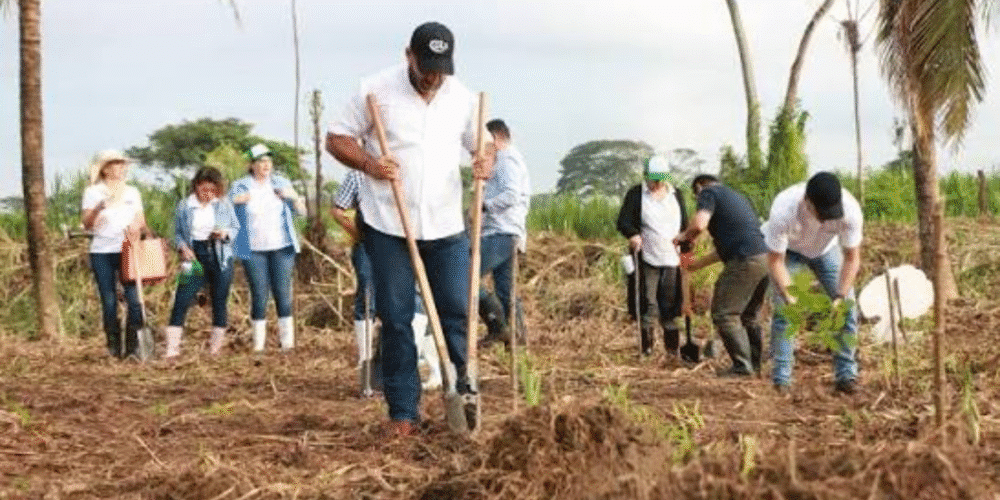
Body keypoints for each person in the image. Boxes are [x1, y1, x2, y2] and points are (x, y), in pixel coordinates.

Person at [326, 21, 492, 437]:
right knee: (398, 318)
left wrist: (485, 158)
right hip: (389, 224)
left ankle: (463, 396)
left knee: (458, 312)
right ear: (409, 56)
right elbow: (337, 138)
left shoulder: (463, 98)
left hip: (446, 224)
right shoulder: (375, 90)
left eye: (441, 70)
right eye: (426, 68)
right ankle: (403, 412)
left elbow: (484, 143)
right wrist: (369, 164)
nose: (433, 78)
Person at [332, 169, 442, 392]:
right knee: (368, 295)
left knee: (413, 296)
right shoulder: (358, 174)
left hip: (406, 240)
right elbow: (338, 210)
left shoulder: (410, 169)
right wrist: (358, 234)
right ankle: (366, 362)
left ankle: (410, 361)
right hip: (370, 241)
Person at [763, 172, 863, 395]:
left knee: (847, 309)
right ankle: (782, 381)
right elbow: (775, 261)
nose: (827, 220)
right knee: (786, 312)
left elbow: (852, 258)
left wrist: (840, 295)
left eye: (832, 214)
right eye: (822, 214)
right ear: (807, 202)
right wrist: (791, 298)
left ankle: (846, 376)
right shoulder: (783, 210)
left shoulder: (851, 211)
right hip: (789, 253)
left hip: (826, 251)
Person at [673, 175, 769, 377]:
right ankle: (754, 366)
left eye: (695, 197)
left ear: (699, 187)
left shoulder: (708, 192)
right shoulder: (736, 197)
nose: (698, 201)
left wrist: (684, 236)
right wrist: (694, 265)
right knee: (748, 316)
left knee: (724, 314)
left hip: (745, 260)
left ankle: (743, 368)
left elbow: (699, 225)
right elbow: (723, 251)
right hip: (764, 259)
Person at [230, 144, 306, 352]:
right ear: (251, 165)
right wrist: (235, 201)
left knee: (283, 294)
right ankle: (258, 346)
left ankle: (287, 345)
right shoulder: (240, 186)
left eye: (268, 161)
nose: (266, 165)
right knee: (259, 295)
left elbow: (302, 212)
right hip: (253, 249)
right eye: (261, 161)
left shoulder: (281, 183)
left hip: (282, 247)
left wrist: (293, 197)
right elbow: (222, 212)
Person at [616, 154, 689, 357]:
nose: (656, 185)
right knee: (648, 303)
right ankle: (646, 349)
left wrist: (687, 258)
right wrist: (633, 235)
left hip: (672, 259)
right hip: (647, 258)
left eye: (660, 180)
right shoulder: (636, 194)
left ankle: (672, 351)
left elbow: (685, 227)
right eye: (653, 180)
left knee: (670, 305)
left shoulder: (676, 195)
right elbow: (623, 221)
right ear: (646, 177)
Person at [164, 167, 240, 358]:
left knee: (219, 301)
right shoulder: (185, 205)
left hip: (219, 255)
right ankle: (172, 351)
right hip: (194, 256)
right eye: (204, 189)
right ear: (196, 186)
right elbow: (177, 234)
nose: (208, 194)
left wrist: (224, 233)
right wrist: (183, 247)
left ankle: (214, 350)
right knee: (182, 299)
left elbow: (235, 228)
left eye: (213, 190)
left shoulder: (223, 204)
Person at [81, 150, 149, 359]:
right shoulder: (93, 192)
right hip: (102, 251)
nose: (121, 168)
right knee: (109, 301)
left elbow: (141, 220)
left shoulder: (132, 192)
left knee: (134, 300)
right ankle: (113, 346)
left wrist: (136, 228)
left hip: (127, 249)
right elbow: (87, 223)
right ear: (105, 169)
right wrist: (98, 209)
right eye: (116, 164)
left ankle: (133, 347)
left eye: (122, 164)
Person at [477, 118, 530, 347]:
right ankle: (517, 336)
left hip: (501, 231)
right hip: (506, 231)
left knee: (466, 276)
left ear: (497, 137)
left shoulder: (508, 159)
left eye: (487, 141)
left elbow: (511, 195)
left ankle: (498, 327)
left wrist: (484, 206)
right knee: (505, 289)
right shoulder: (504, 160)